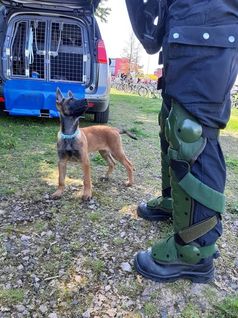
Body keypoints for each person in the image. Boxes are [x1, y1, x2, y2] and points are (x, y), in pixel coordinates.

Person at [126, 0, 238, 283]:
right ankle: (175, 204)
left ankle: (195, 251)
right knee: (172, 122)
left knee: (191, 132)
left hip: (208, 22)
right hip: (186, 24)